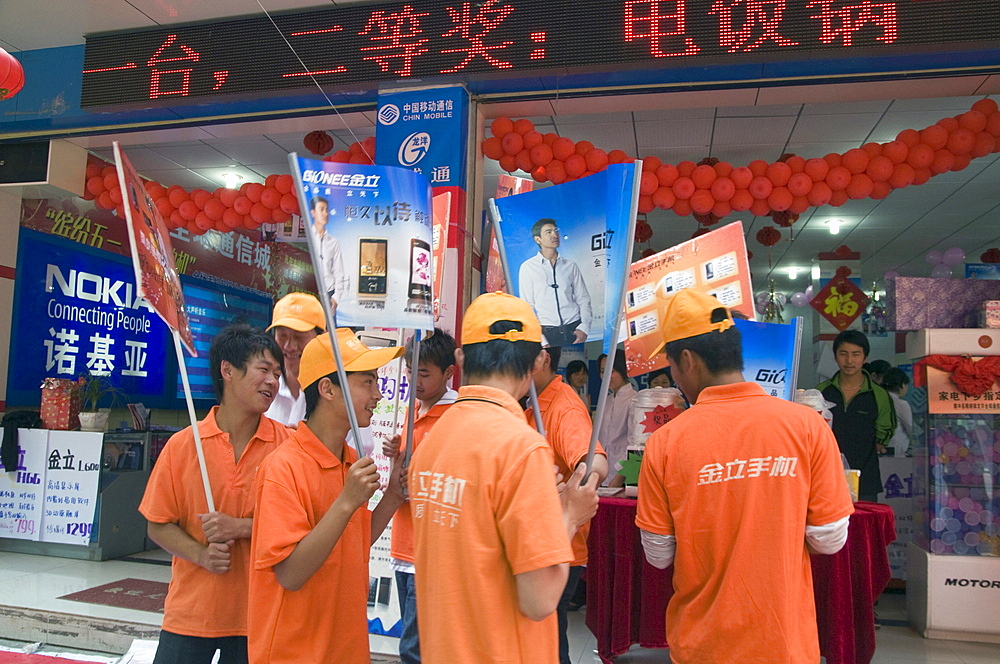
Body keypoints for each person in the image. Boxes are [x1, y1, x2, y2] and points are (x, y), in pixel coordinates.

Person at [636, 289, 854, 664]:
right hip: (784, 642)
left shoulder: (667, 440)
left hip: (703, 645)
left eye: (670, 365)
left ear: (686, 360)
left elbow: (658, 555)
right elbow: (830, 539)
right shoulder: (807, 425)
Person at [409, 292, 600, 664]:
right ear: (538, 361)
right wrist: (570, 518)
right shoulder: (523, 449)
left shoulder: (432, 439)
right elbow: (539, 598)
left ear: (461, 358)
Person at [247, 328, 405, 664]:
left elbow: (354, 540)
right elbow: (290, 573)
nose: (378, 395)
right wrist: (347, 501)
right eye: (367, 382)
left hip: (344, 647)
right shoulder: (283, 467)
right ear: (327, 389)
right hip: (294, 652)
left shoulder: (348, 459)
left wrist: (392, 496)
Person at [139, 324, 292, 664]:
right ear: (228, 371)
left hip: (260, 617)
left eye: (277, 373)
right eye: (263, 370)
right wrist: (201, 554)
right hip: (191, 614)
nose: (272, 382)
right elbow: (158, 524)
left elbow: (302, 527)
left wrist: (239, 528)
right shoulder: (183, 446)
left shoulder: (288, 447)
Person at [526, 344, 609, 664]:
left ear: (543, 359)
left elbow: (595, 462)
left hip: (561, 545)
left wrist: (569, 499)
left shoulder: (563, 407)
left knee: (547, 639)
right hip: (538, 543)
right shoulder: (533, 402)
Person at [384, 328, 458, 664]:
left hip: (430, 547)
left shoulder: (456, 416)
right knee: (416, 641)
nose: (415, 380)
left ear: (449, 373)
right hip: (404, 542)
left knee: (416, 649)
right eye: (411, 371)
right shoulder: (413, 411)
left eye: (424, 374)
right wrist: (395, 452)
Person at [817, 330, 896, 502]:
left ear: (865, 358)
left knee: (863, 526)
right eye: (843, 354)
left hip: (865, 477)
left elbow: (884, 435)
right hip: (825, 476)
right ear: (836, 357)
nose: (849, 360)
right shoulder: (821, 391)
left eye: (856, 354)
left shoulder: (879, 395)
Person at [518, 218, 592, 346]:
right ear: (538, 239)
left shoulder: (570, 265)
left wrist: (584, 327)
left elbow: (583, 298)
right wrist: (540, 338)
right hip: (547, 333)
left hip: (574, 329)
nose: (554, 235)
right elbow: (526, 307)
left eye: (555, 231)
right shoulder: (528, 267)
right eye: (548, 232)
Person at [264, 292, 326, 427]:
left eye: (299, 337)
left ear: (322, 337)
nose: (289, 347)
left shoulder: (336, 396)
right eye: (282, 336)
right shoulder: (263, 389)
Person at [597, 351, 637, 486]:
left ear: (623, 371)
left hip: (622, 477)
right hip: (601, 474)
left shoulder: (634, 400)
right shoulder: (605, 400)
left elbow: (634, 444)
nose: (606, 376)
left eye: (611, 371)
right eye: (603, 371)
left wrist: (619, 478)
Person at [310, 196, 349, 310]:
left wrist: (336, 297)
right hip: (308, 292)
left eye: (326, 210)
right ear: (313, 213)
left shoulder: (333, 241)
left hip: (328, 293)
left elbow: (339, 271)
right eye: (321, 209)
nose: (325, 213)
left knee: (328, 327)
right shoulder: (308, 237)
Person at [882, 368, 913, 458]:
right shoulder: (901, 404)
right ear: (902, 385)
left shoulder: (878, 399)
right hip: (895, 451)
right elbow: (911, 428)